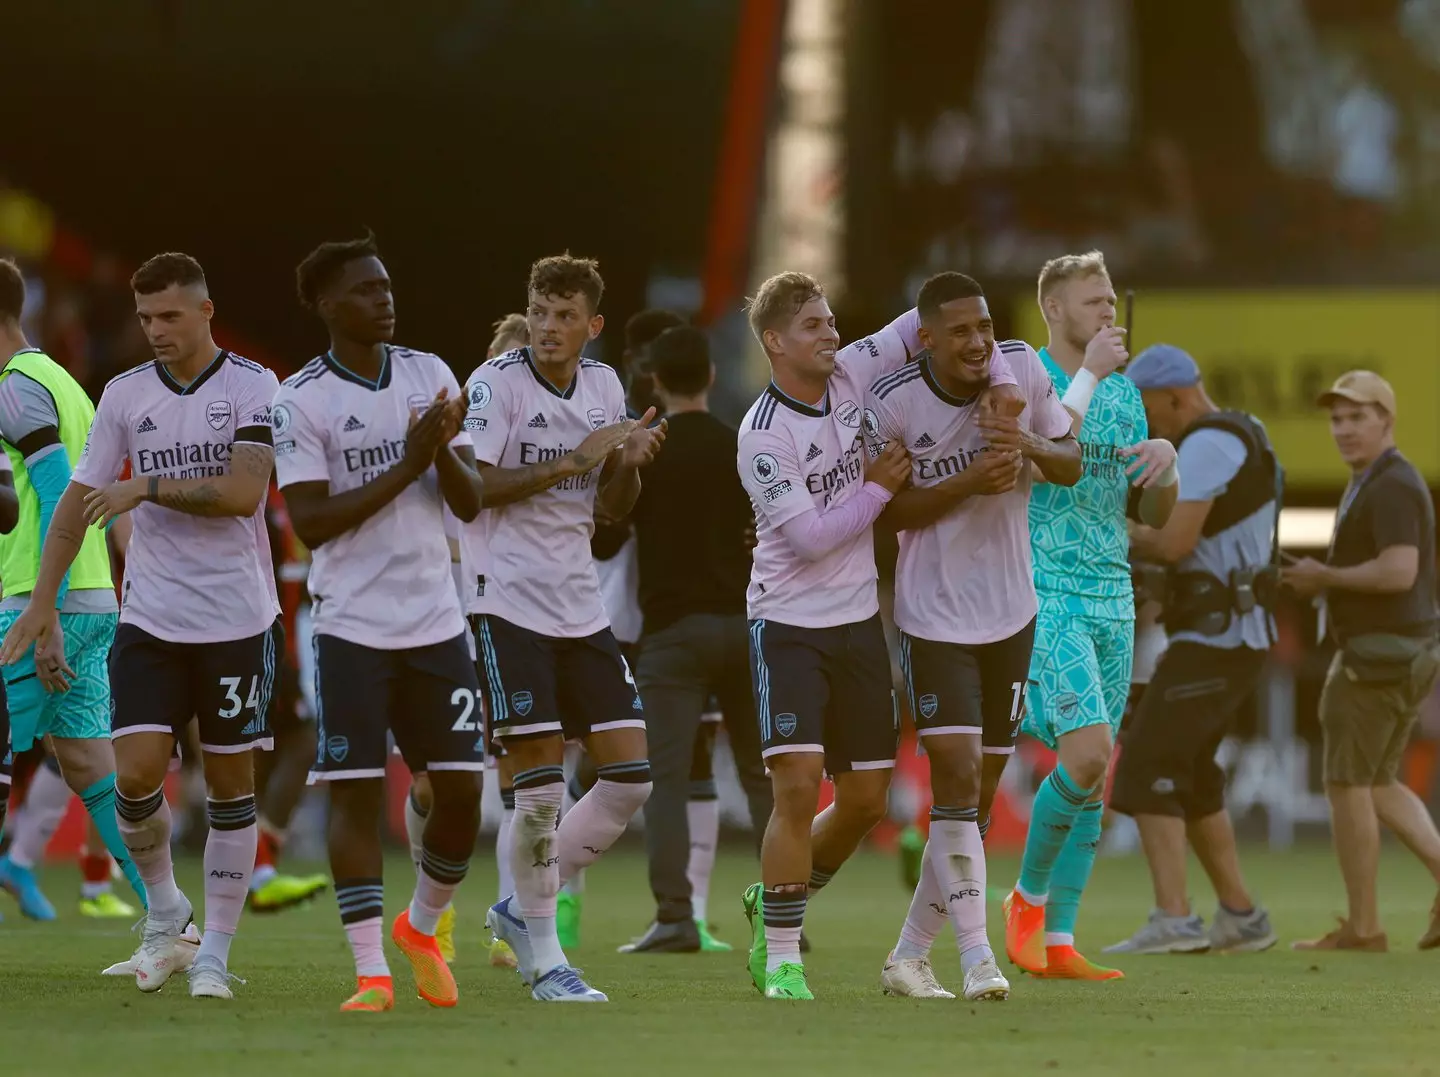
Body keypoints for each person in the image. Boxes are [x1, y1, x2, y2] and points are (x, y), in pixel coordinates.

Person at [0, 252, 281, 997]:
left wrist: (145, 486)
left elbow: (245, 493)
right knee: (132, 777)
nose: (156, 330)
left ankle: (214, 952)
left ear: (206, 312)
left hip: (237, 619)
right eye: (146, 317)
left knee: (229, 786)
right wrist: (43, 600)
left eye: (170, 316)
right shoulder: (124, 395)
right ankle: (167, 919)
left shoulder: (252, 385)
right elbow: (73, 501)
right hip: (150, 618)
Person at [735, 271, 1021, 1000]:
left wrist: (1004, 384)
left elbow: (952, 322)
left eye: (831, 320)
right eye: (813, 326)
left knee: (865, 801)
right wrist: (879, 488)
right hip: (788, 622)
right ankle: (782, 956)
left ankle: (775, 896)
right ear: (774, 342)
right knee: (798, 785)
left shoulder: (854, 369)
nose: (831, 333)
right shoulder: (763, 434)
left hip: (859, 620)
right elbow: (809, 539)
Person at [274, 233, 487, 1013]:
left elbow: (470, 501)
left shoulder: (430, 374)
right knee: (356, 797)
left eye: (387, 286)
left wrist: (440, 452)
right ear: (328, 305)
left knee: (462, 793)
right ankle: (371, 973)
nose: (385, 299)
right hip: (351, 626)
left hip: (435, 619)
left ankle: (419, 926)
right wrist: (406, 462)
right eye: (366, 290)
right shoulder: (299, 399)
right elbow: (312, 521)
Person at [865, 272, 1079, 1001]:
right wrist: (969, 480)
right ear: (925, 338)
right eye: (959, 331)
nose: (978, 341)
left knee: (978, 795)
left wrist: (1023, 441)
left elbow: (1072, 461)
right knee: (954, 777)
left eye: (984, 325)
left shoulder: (1021, 370)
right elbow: (887, 513)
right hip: (934, 615)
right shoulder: (894, 402)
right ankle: (978, 957)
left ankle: (907, 955)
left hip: (1011, 610)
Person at [469, 254, 663, 1003]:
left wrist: (627, 462)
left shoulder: (605, 387)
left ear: (593, 324)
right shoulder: (495, 384)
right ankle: (547, 960)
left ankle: (521, 909)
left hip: (581, 606)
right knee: (542, 789)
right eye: (540, 312)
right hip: (507, 603)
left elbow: (610, 508)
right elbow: (473, 487)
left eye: (564, 315)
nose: (548, 327)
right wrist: (572, 460)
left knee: (630, 778)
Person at [1003, 251, 1179, 981]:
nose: (1108, 311)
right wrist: (1091, 375)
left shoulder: (1127, 395)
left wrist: (1168, 466)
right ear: (1053, 309)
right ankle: (1025, 900)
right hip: (1047, 590)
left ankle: (1059, 938)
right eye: (1092, 301)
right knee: (1084, 752)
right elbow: (1040, 459)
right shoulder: (1027, 378)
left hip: (1115, 594)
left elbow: (1154, 515)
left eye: (1110, 300)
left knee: (1094, 768)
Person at [1105, 344, 1279, 955]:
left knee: (1147, 764)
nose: (1146, 426)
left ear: (1177, 397)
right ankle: (1242, 916)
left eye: (1149, 410)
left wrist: (1110, 528)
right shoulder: (1242, 430)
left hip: (1217, 638)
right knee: (1194, 776)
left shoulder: (1207, 444)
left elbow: (1175, 542)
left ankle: (1174, 919)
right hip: (1225, 635)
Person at [614, 324, 773, 954]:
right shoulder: (740, 446)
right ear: (710, 374)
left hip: (672, 635)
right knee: (763, 774)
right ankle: (785, 909)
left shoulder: (647, 451)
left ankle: (676, 916)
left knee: (667, 781)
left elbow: (608, 530)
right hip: (742, 623)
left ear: (655, 381)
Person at [0, 256, 149, 926]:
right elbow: (104, 501)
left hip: (35, 603)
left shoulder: (14, 389)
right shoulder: (67, 385)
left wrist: (46, 611)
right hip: (92, 599)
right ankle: (172, 917)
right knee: (92, 768)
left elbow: (60, 491)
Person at [1283, 371, 1440, 951]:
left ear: (1387, 420)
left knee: (1349, 784)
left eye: (1357, 416)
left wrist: (1324, 577)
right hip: (1399, 653)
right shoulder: (1380, 479)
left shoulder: (1391, 484)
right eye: (1336, 418)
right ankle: (1367, 922)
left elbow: (1399, 571)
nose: (1343, 428)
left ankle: (1365, 926)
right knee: (1376, 783)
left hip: (1377, 657)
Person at [248, 484, 329, 915]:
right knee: (294, 743)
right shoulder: (259, 497)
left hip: (283, 642)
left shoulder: (286, 493)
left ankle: (256, 867)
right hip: (260, 641)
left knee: (265, 752)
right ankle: (260, 865)